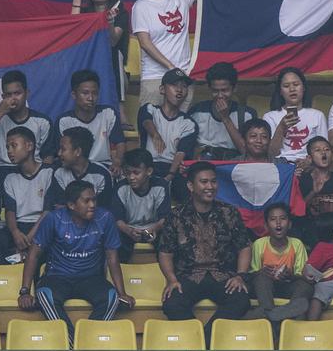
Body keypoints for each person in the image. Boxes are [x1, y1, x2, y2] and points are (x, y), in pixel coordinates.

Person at [20, 180, 133, 342]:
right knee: (44, 295)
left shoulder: (105, 218)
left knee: (112, 298)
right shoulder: (54, 219)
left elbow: (112, 258)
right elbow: (33, 255)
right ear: (72, 205)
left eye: (94, 199)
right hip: (57, 277)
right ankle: (72, 341)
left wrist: (122, 293)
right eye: (86, 201)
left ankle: (87, 340)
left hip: (91, 278)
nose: (92, 204)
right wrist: (24, 291)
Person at [157, 162, 252, 337]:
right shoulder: (176, 215)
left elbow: (244, 247)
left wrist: (240, 276)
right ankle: (196, 337)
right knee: (172, 303)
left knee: (240, 299)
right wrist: (171, 280)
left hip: (223, 274)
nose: (210, 186)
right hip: (189, 275)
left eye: (213, 182)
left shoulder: (229, 212)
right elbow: (165, 252)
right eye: (204, 182)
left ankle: (206, 337)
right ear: (190, 186)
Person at [131, 0, 196, 109]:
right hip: (155, 78)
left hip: (183, 78)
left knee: (182, 129)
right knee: (152, 129)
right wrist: (170, 67)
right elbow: (145, 43)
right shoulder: (141, 6)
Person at [72, 0, 132, 126]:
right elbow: (72, 31)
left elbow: (113, 41)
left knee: (113, 54)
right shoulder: (85, 14)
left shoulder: (121, 14)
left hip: (113, 66)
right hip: (88, 63)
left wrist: (110, 23)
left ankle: (120, 108)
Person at [0, 70, 52, 176]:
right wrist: (0, 112)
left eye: (17, 93)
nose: (13, 99)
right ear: (3, 97)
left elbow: (48, 157)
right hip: (3, 172)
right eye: (8, 95)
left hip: (34, 173)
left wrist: (43, 178)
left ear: (27, 93)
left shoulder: (42, 121)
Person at [137, 69, 198, 201]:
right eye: (174, 85)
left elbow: (181, 153)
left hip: (172, 168)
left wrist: (169, 176)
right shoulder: (150, 109)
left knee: (187, 188)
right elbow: (146, 120)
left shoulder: (188, 123)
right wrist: (155, 134)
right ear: (162, 89)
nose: (179, 90)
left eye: (184, 86)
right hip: (148, 166)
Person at [248, 202, 313, 323]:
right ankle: (274, 314)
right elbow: (252, 274)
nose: (278, 223)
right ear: (266, 226)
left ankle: (269, 314)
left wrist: (290, 276)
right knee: (261, 278)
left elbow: (302, 275)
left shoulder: (297, 244)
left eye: (283, 219)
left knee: (305, 285)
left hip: (287, 286)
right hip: (266, 289)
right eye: (273, 219)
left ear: (289, 224)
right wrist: (262, 272)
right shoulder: (259, 244)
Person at [0, 126, 54, 261]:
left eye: (14, 146)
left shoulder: (49, 172)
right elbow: (10, 211)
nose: (9, 151)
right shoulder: (10, 178)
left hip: (42, 224)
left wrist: (29, 239)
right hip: (20, 225)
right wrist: (15, 232)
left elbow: (48, 211)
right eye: (7, 147)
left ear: (29, 146)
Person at [51, 69, 124, 172]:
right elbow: (61, 154)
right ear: (74, 95)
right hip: (74, 170)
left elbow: (119, 143)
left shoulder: (108, 113)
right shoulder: (64, 121)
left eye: (95, 93)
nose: (90, 98)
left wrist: (117, 163)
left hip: (103, 168)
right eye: (85, 93)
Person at [110, 148, 171, 263]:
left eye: (136, 173)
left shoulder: (161, 186)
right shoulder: (121, 187)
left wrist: (152, 230)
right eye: (128, 173)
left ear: (149, 171)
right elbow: (118, 220)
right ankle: (121, 271)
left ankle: (166, 274)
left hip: (154, 229)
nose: (131, 177)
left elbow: (165, 219)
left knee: (168, 236)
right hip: (129, 229)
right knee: (116, 236)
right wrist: (129, 231)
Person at [188, 62, 256, 160]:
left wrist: (225, 118)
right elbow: (188, 146)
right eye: (215, 91)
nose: (220, 96)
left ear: (234, 88)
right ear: (209, 89)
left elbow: (247, 152)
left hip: (232, 164)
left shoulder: (246, 114)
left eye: (224, 90)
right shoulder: (198, 111)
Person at [263, 67, 328, 162]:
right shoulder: (270, 117)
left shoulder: (317, 116)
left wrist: (308, 163)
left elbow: (324, 150)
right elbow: (271, 153)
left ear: (304, 87)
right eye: (286, 86)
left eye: (296, 84)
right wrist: (281, 127)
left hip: (310, 164)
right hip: (281, 164)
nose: (292, 89)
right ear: (280, 91)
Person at [297, 137, 333, 234]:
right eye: (318, 150)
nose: (323, 153)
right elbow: (298, 211)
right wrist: (313, 192)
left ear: (332, 156)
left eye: (327, 149)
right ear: (310, 158)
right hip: (310, 228)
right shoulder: (303, 179)